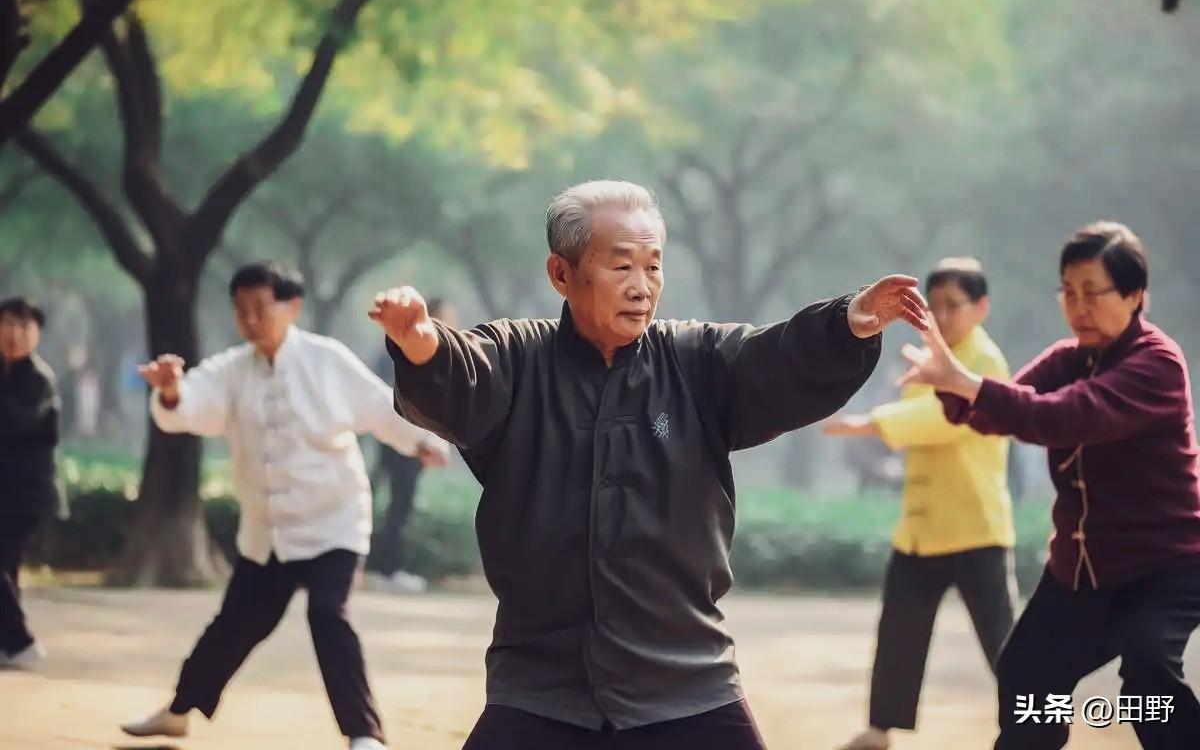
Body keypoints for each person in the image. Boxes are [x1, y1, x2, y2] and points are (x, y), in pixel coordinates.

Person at [370, 180, 929, 749]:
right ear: (561, 274)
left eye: (653, 267)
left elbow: (776, 358)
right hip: (542, 682)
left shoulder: (697, 361)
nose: (642, 288)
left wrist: (850, 321)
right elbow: (462, 379)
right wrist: (419, 342)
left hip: (683, 675)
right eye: (621, 267)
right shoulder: (520, 359)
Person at [120, 262, 451, 750]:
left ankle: (364, 735)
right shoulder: (231, 370)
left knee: (327, 615)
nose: (250, 320)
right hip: (268, 532)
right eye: (241, 311)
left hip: (334, 522)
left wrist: (422, 441)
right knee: (233, 626)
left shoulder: (326, 360)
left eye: (260, 308)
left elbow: (380, 407)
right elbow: (191, 404)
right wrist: (171, 391)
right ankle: (178, 711)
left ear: (290, 306)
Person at [901, 222, 1200, 749]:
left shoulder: (1157, 363)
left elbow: (1066, 416)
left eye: (1092, 292)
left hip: (1163, 566)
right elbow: (1006, 408)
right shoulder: (1069, 358)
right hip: (1081, 571)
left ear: (1134, 296)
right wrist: (955, 386)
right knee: (1025, 676)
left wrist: (965, 383)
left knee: (1150, 667)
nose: (1077, 306)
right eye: (1068, 291)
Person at [824, 258, 1016, 750]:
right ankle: (880, 728)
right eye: (936, 304)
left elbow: (942, 418)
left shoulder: (986, 361)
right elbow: (921, 410)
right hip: (921, 527)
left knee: (1004, 642)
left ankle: (1032, 722)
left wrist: (868, 423)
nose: (944, 315)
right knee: (899, 633)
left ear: (981, 308)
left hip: (975, 527)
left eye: (955, 305)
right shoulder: (933, 357)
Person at [365, 298, 458, 594]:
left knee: (396, 504)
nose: (451, 325)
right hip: (406, 439)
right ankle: (388, 570)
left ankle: (385, 568)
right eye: (446, 318)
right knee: (398, 505)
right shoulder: (408, 350)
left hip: (406, 439)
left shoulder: (417, 351)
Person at [0, 296, 59, 670]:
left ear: (37, 334)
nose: (15, 334)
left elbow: (11, 424)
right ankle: (8, 645)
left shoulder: (38, 380)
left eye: (24, 327)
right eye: (7, 324)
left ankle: (21, 642)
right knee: (7, 569)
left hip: (25, 493)